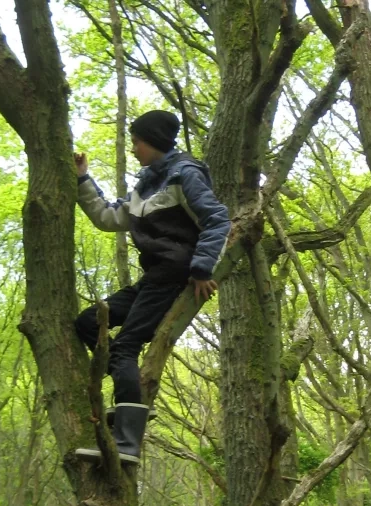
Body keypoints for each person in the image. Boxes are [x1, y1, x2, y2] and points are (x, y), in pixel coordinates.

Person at [73, 110, 230, 464]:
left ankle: (127, 443)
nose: (133, 149)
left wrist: (202, 268)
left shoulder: (184, 174)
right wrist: (83, 179)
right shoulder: (145, 185)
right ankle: (131, 401)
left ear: (154, 141)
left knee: (124, 348)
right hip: (152, 278)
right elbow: (108, 217)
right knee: (87, 323)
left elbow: (217, 218)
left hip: (175, 276)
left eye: (137, 142)